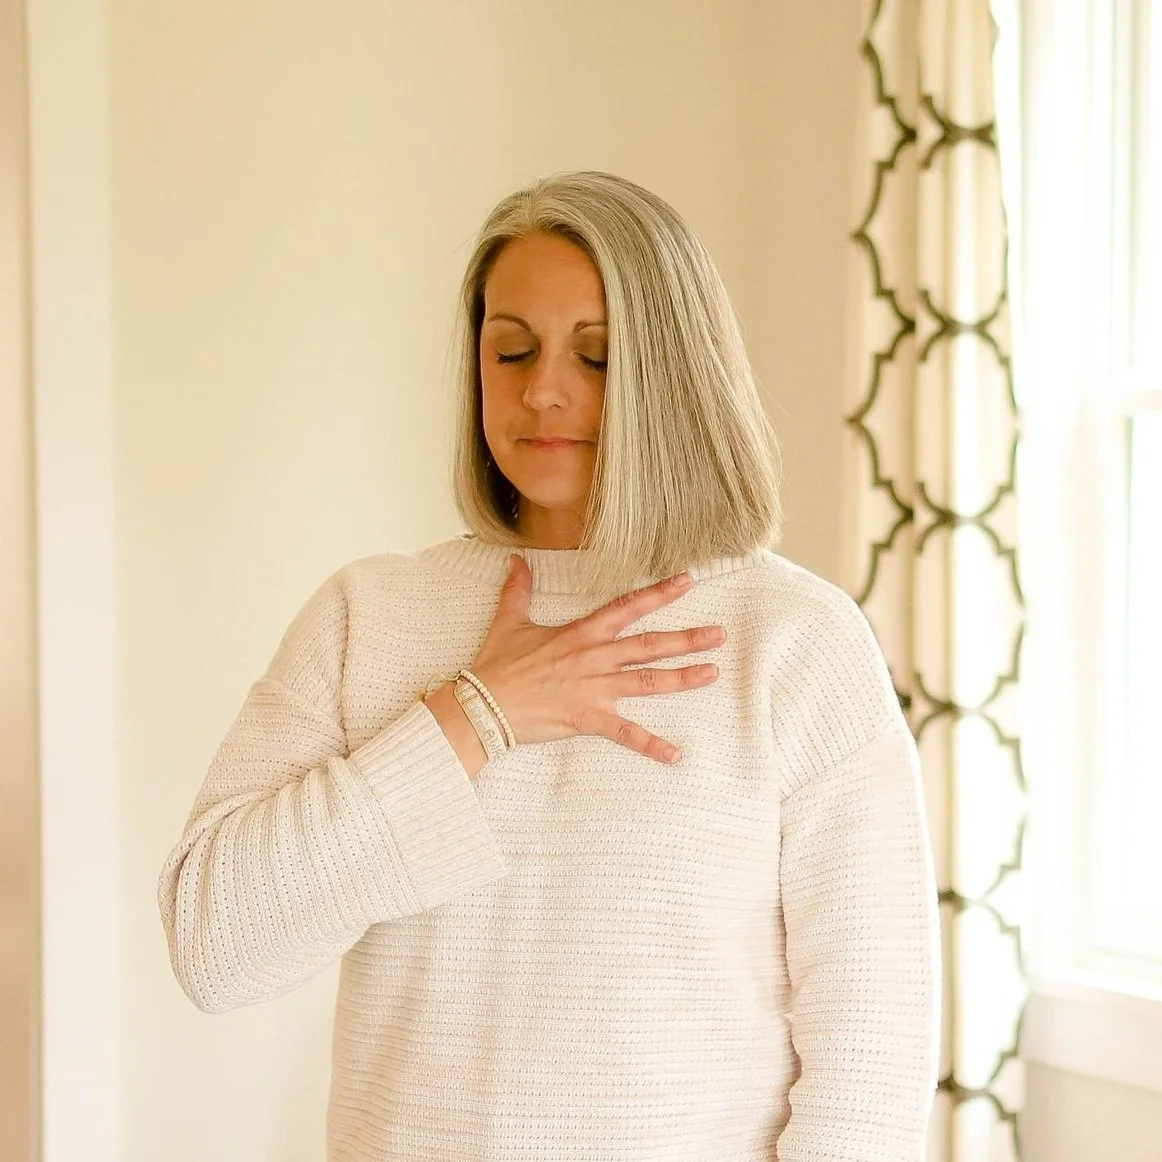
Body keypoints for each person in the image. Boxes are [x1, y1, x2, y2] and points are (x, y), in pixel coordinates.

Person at [159, 170, 940, 1161]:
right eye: (511, 349)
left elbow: (869, 1059)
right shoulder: (371, 617)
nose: (541, 392)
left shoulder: (794, 643)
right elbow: (213, 947)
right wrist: (471, 716)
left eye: (599, 356)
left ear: (673, 371)